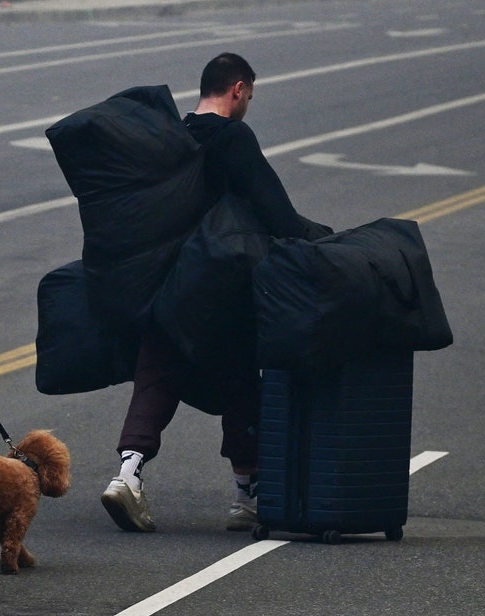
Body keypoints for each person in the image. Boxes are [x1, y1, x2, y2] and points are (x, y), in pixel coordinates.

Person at [100, 52, 333, 534]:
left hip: (167, 285)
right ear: (238, 90)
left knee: (156, 376)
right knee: (242, 381)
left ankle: (128, 473)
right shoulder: (234, 137)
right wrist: (324, 239)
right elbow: (276, 212)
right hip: (221, 287)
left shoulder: (175, 137)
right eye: (249, 95)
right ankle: (246, 495)